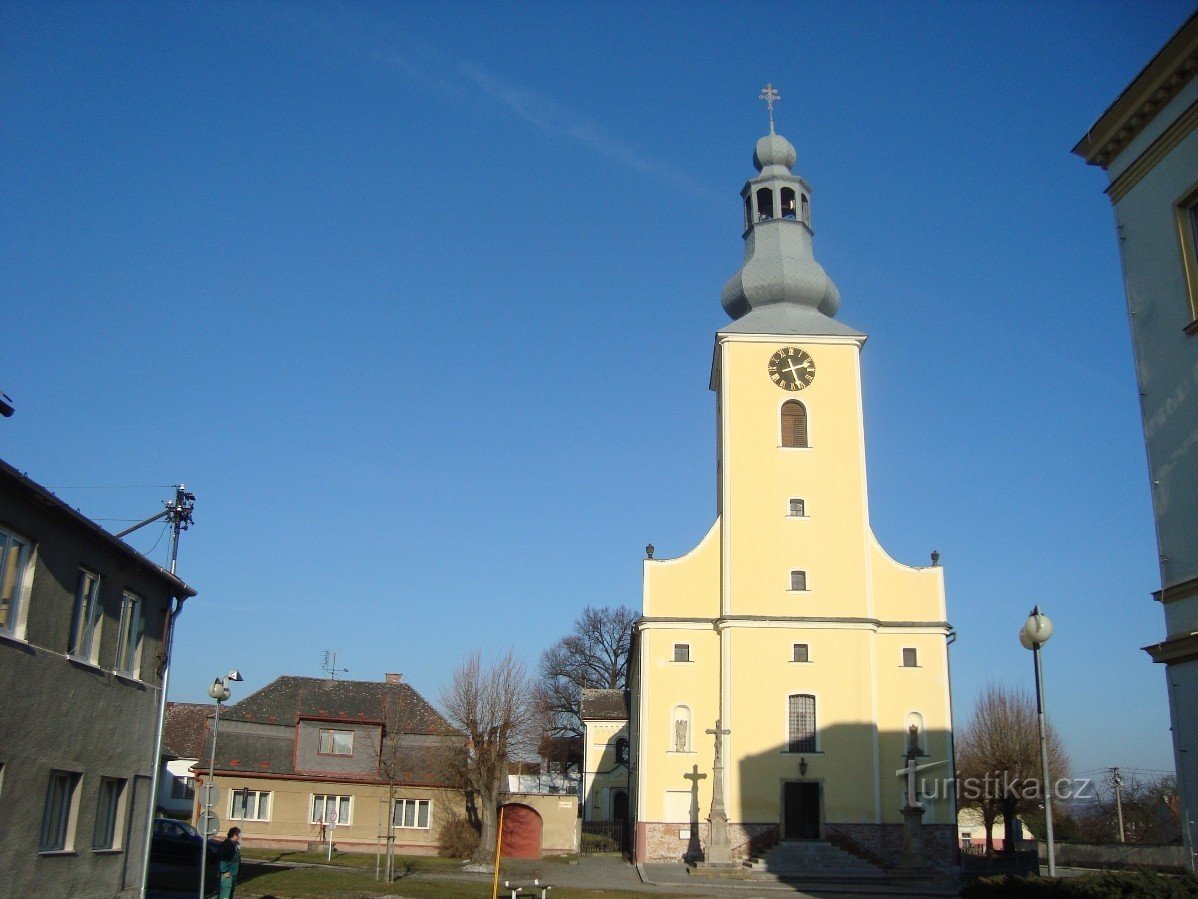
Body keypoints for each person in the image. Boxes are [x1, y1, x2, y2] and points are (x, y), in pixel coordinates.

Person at [214, 826, 241, 899]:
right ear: (233, 835)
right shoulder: (226, 845)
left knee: (229, 895)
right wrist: (225, 871)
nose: (239, 837)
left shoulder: (234, 845)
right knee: (225, 895)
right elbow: (222, 859)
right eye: (238, 835)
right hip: (227, 875)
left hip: (233, 873)